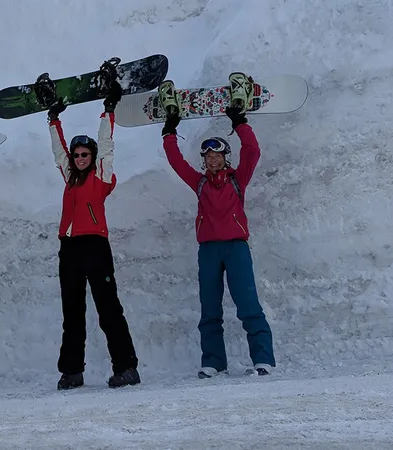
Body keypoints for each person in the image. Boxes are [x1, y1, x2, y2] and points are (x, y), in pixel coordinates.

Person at [159, 79, 276, 378]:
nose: (212, 159)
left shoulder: (239, 179)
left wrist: (238, 121)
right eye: (208, 157)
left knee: (248, 304)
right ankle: (213, 362)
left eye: (217, 155)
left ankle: (263, 360)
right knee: (210, 309)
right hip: (209, 250)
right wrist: (169, 130)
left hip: (236, 248)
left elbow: (252, 149)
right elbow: (175, 161)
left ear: (225, 157)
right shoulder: (199, 183)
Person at [46, 80, 141, 390]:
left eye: (85, 153)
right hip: (69, 249)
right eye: (77, 154)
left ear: (92, 156)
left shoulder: (101, 177)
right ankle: (72, 371)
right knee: (72, 312)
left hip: (95, 247)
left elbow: (107, 144)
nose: (80, 157)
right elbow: (58, 151)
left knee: (108, 309)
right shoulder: (69, 176)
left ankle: (126, 367)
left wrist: (108, 110)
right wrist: (53, 118)